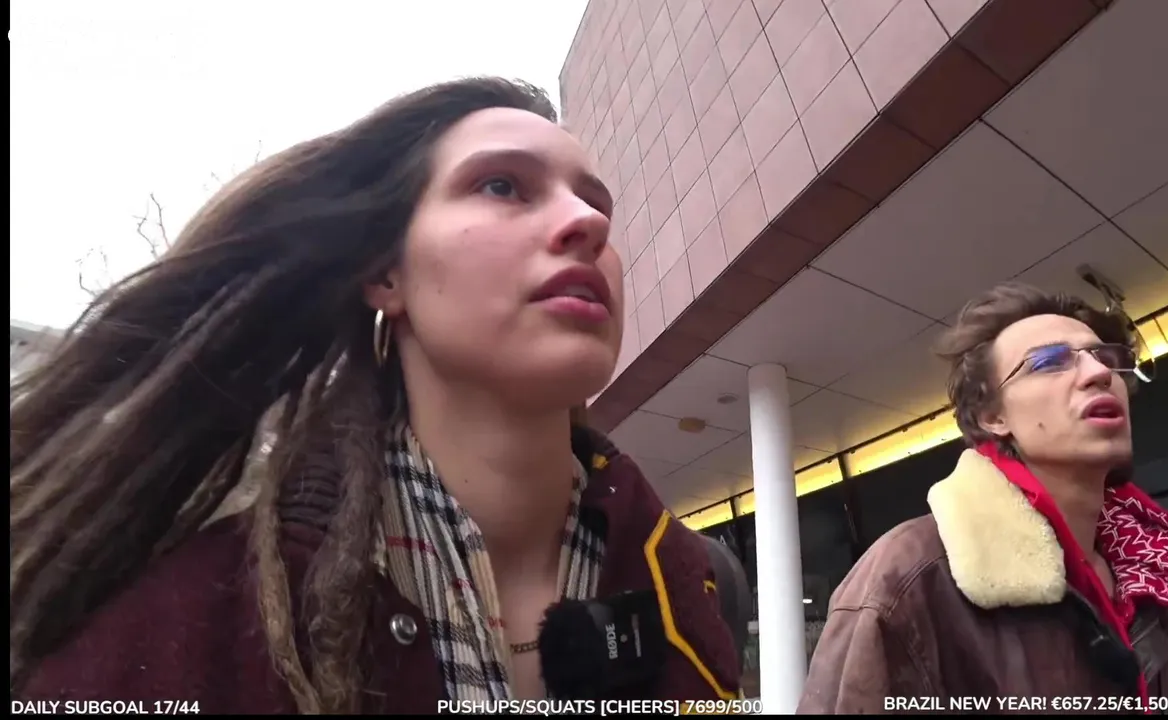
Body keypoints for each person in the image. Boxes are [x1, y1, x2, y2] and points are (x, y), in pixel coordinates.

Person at [10, 77, 743, 713]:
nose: (588, 222)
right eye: (502, 185)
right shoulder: (180, 622)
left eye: (593, 200)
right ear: (386, 277)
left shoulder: (694, 585)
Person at [798, 282, 1168, 713]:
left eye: (1107, 358)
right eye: (1049, 362)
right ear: (993, 416)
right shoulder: (908, 580)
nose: (1099, 374)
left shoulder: (1144, 574)